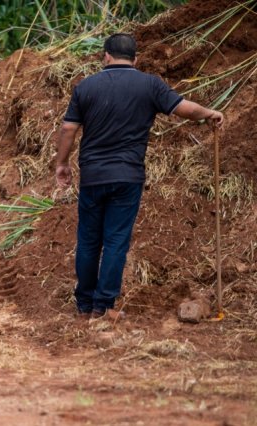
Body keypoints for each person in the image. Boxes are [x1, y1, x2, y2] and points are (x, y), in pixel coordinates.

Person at [55, 33, 224, 319]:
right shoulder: (150, 84)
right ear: (135, 59)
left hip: (93, 176)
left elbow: (68, 129)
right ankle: (103, 306)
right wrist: (209, 112)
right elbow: (184, 108)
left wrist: (62, 164)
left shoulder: (86, 86)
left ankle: (84, 303)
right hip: (127, 176)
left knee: (88, 241)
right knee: (116, 241)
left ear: (105, 56)